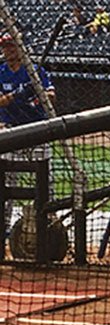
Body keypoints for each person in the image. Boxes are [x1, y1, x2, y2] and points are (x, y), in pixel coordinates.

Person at [0, 33, 56, 235]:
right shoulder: (0, 72)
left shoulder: (35, 71)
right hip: (11, 131)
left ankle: (48, 226)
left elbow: (51, 96)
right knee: (6, 183)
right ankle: (4, 228)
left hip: (37, 130)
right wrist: (18, 94)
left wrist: (35, 92)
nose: (9, 50)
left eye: (12, 46)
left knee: (46, 181)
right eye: (6, 47)